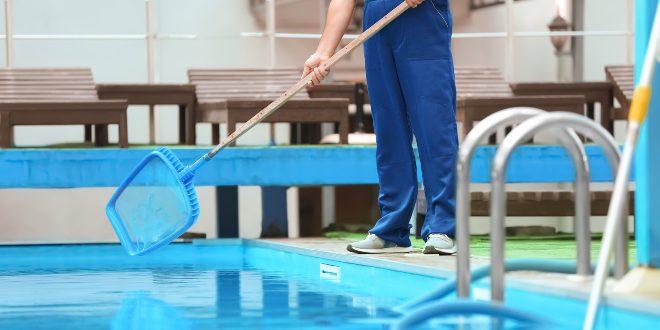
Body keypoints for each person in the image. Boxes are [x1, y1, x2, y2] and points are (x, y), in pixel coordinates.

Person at [303, 0, 457, 255]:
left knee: (434, 125)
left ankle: (444, 226)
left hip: (422, 17)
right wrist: (323, 51)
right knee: (389, 129)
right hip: (377, 22)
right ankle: (392, 230)